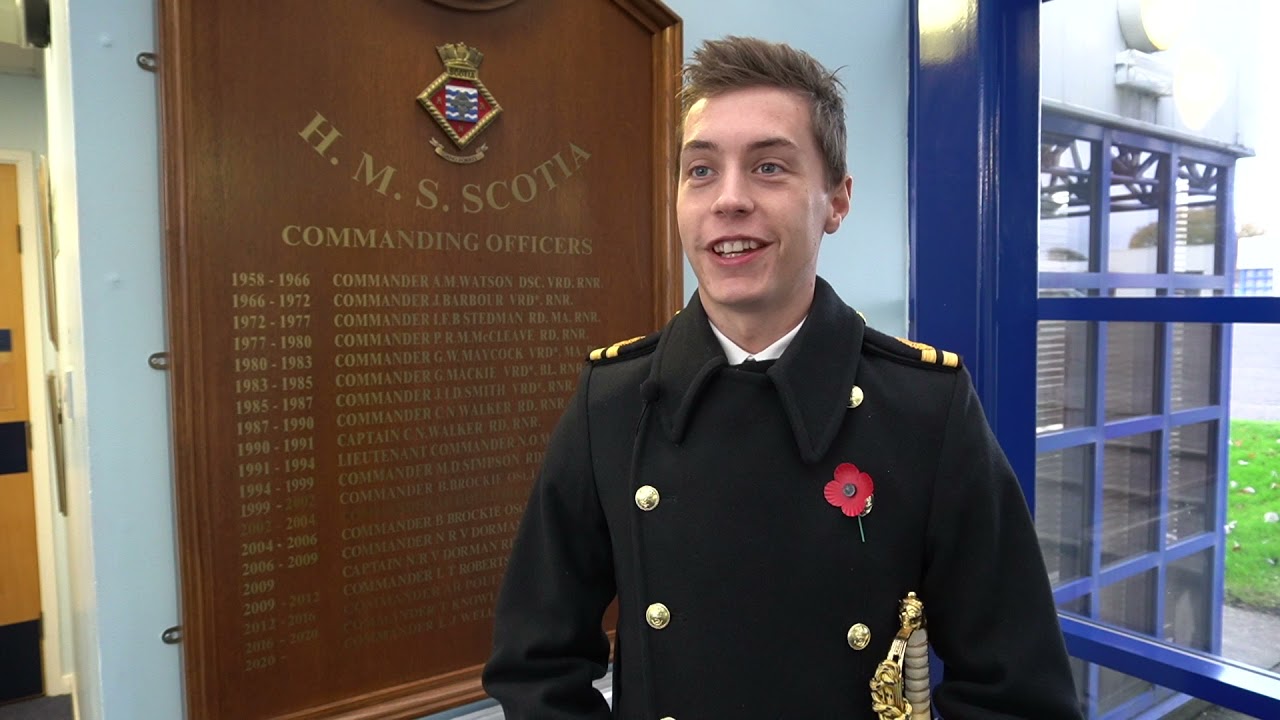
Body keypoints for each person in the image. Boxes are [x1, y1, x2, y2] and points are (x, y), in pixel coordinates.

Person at [482, 36, 1083, 719]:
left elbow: (1016, 690)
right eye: (700, 171)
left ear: (837, 200)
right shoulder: (613, 401)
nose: (728, 200)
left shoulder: (924, 408)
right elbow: (536, 664)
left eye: (769, 167)